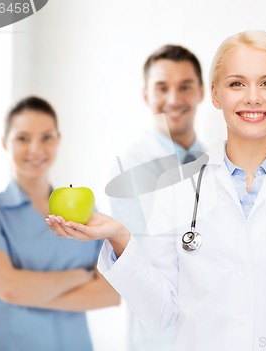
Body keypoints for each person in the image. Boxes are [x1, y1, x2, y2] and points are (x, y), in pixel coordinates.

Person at [47, 30, 266, 351]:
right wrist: (119, 237)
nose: (253, 97)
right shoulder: (177, 188)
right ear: (215, 94)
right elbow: (160, 312)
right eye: (236, 83)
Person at [0, 96, 120, 351]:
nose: (36, 149)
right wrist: (81, 276)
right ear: (6, 143)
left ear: (58, 140)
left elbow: (110, 295)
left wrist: (26, 292)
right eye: (23, 138)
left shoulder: (87, 211)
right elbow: (8, 289)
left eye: (46, 137)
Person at [107, 44, 206, 351]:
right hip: (160, 336)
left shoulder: (220, 161)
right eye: (162, 88)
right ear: (146, 95)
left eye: (185, 87)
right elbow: (140, 260)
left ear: (202, 92)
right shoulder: (128, 168)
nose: (174, 99)